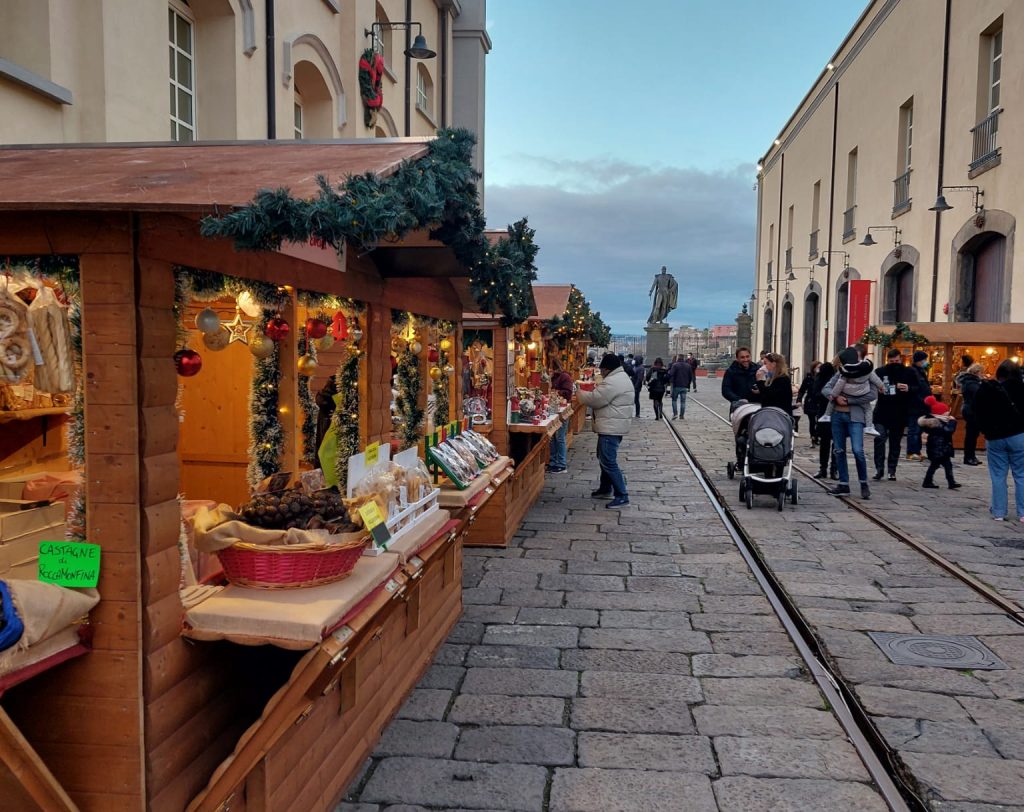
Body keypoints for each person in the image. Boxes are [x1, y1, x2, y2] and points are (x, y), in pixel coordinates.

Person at [576, 353, 634, 509]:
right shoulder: (619, 378)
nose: (600, 372)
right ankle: (605, 489)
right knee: (604, 458)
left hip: (611, 427)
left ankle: (622, 495)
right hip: (613, 424)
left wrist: (579, 392)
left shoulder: (613, 382)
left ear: (608, 369)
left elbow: (596, 400)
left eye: (602, 369)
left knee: (608, 461)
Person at [823, 346, 879, 499]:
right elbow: (826, 389)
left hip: (856, 417)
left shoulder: (866, 372)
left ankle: (863, 482)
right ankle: (843, 483)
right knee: (839, 450)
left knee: (858, 451)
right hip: (837, 416)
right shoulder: (841, 372)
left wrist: (849, 400)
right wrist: (835, 397)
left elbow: (872, 395)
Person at [973, 359, 1024, 521]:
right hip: (1018, 435)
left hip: (995, 437)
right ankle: (1023, 513)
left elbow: (976, 411)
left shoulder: (989, 389)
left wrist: (985, 430)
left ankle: (999, 512)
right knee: (1021, 475)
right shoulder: (1022, 389)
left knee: (998, 475)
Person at [872, 348, 914, 481]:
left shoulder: (908, 372)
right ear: (887, 360)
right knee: (879, 439)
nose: (894, 363)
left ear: (900, 359)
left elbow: (919, 388)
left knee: (895, 443)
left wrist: (908, 388)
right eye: (891, 361)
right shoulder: (880, 372)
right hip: (882, 412)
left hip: (899, 412)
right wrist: (881, 389)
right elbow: (872, 389)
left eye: (896, 361)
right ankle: (879, 469)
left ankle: (892, 470)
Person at [817, 355, 882, 436]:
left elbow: (838, 386)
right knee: (868, 409)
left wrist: (835, 396)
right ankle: (869, 427)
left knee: (852, 446)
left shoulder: (845, 373)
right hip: (845, 409)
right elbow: (877, 384)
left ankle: (827, 415)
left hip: (854, 413)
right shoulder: (867, 372)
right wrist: (882, 386)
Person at [919, 395, 961, 489]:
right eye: (946, 412)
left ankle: (950, 482)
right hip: (939, 449)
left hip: (940, 449)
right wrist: (953, 422)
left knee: (944, 465)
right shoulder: (938, 423)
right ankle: (928, 481)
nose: (948, 414)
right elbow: (948, 431)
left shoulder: (935, 422)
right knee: (936, 465)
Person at [546, 357, 575, 474]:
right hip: (554, 409)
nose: (549, 370)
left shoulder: (565, 377)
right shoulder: (553, 377)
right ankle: (553, 462)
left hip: (563, 411)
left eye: (550, 368)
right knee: (552, 437)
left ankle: (561, 464)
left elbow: (568, 392)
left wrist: (556, 392)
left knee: (560, 437)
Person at [811, 361, 838, 478]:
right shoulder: (831, 379)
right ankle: (832, 469)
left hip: (826, 413)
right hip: (832, 413)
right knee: (833, 443)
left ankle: (826, 468)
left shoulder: (820, 379)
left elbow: (815, 395)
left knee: (827, 443)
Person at [906, 350, 932, 460]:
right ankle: (911, 452)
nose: (925, 362)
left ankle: (917, 451)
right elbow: (914, 388)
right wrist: (922, 399)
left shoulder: (921, 371)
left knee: (919, 430)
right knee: (914, 430)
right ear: (918, 361)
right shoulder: (912, 371)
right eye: (924, 360)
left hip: (922, 405)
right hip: (915, 405)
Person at [958, 362, 984, 466]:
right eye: (981, 372)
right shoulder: (971, 383)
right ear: (977, 372)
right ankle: (969, 457)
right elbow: (978, 395)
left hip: (970, 409)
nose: (982, 374)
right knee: (971, 434)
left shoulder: (970, 382)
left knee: (973, 434)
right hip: (971, 410)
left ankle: (971, 456)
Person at [797, 362, 821, 443]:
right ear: (813, 368)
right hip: (810, 401)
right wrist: (799, 400)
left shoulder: (822, 377)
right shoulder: (808, 377)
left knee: (819, 421)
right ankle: (813, 436)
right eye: (818, 367)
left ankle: (817, 435)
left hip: (820, 401)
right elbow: (802, 390)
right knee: (812, 421)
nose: (819, 369)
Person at [668, 354, 694, 419]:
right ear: (683, 358)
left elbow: (671, 374)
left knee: (674, 400)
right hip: (684, 386)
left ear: (678, 358)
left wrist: (671, 383)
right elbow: (690, 376)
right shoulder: (688, 366)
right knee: (683, 401)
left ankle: (675, 414)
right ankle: (682, 415)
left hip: (676, 385)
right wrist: (688, 385)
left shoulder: (675, 365)